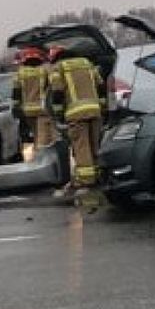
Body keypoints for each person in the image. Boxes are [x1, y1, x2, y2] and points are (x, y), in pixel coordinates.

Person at [49, 46, 104, 196]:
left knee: (81, 147)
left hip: (75, 113)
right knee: (96, 146)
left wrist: (59, 113)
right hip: (95, 110)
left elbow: (57, 93)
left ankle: (86, 182)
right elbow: (100, 85)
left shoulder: (59, 68)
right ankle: (100, 176)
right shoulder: (87, 63)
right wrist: (102, 106)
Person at [12, 46, 55, 149]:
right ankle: (42, 157)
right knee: (44, 138)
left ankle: (35, 156)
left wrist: (16, 107)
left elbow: (16, 94)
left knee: (35, 135)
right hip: (42, 110)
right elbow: (53, 88)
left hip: (28, 111)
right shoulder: (45, 71)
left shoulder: (20, 73)